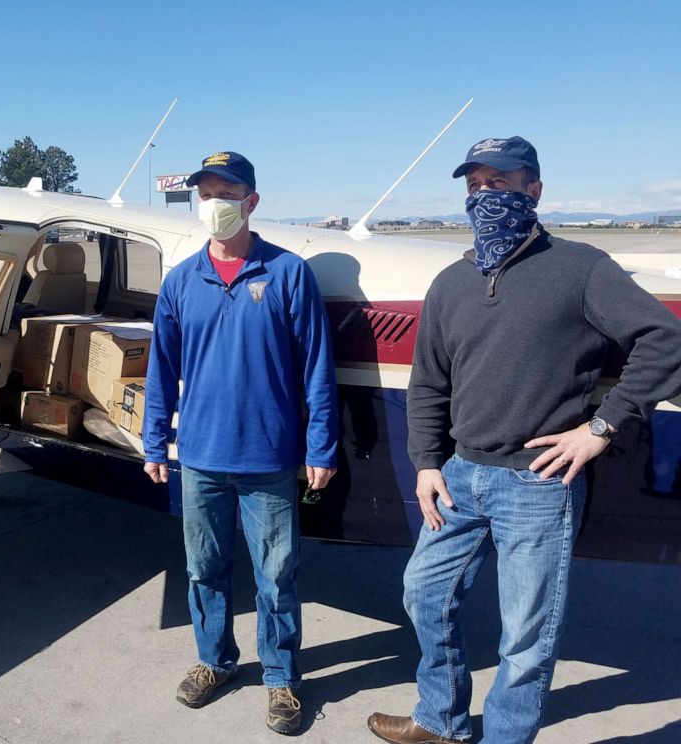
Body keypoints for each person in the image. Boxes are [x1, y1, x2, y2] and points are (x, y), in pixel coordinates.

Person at [367, 136, 681, 744]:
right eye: (475, 185)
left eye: (501, 183)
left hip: (538, 484)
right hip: (460, 475)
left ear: (533, 189)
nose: (486, 195)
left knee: (526, 636)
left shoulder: (581, 268)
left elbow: (665, 340)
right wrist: (427, 463)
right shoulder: (450, 282)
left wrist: (601, 427)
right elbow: (430, 380)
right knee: (423, 597)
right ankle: (441, 720)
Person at [143, 151, 339, 735]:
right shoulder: (181, 281)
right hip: (200, 457)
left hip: (269, 459)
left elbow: (317, 369)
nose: (214, 204)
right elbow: (160, 370)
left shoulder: (286, 273)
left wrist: (321, 447)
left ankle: (281, 678)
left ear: (252, 201)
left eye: (226, 193)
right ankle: (215, 662)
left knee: (276, 575)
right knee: (203, 570)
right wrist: (156, 442)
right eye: (206, 193)